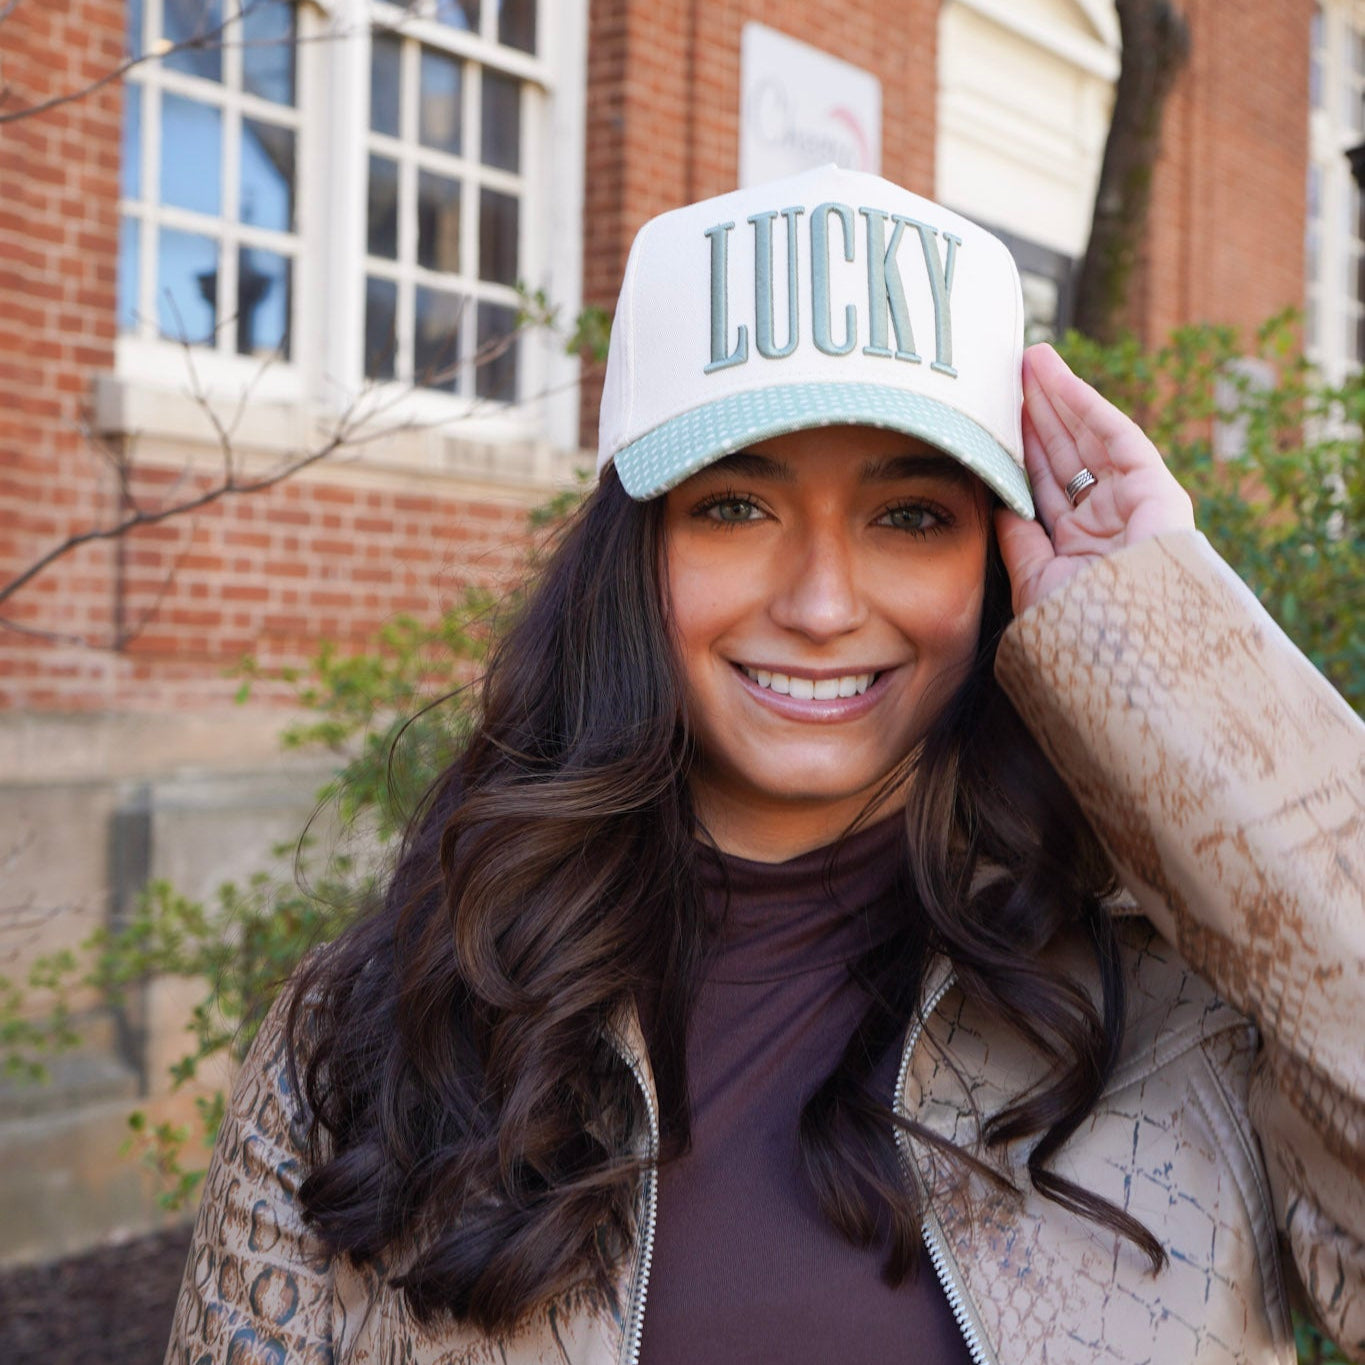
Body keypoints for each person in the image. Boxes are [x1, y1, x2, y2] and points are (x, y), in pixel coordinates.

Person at [163, 166, 1365, 1365]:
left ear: (995, 569)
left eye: (912, 517)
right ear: (633, 554)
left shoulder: (1187, 1006)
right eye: (737, 506)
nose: (823, 603)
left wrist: (1174, 649)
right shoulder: (371, 1034)